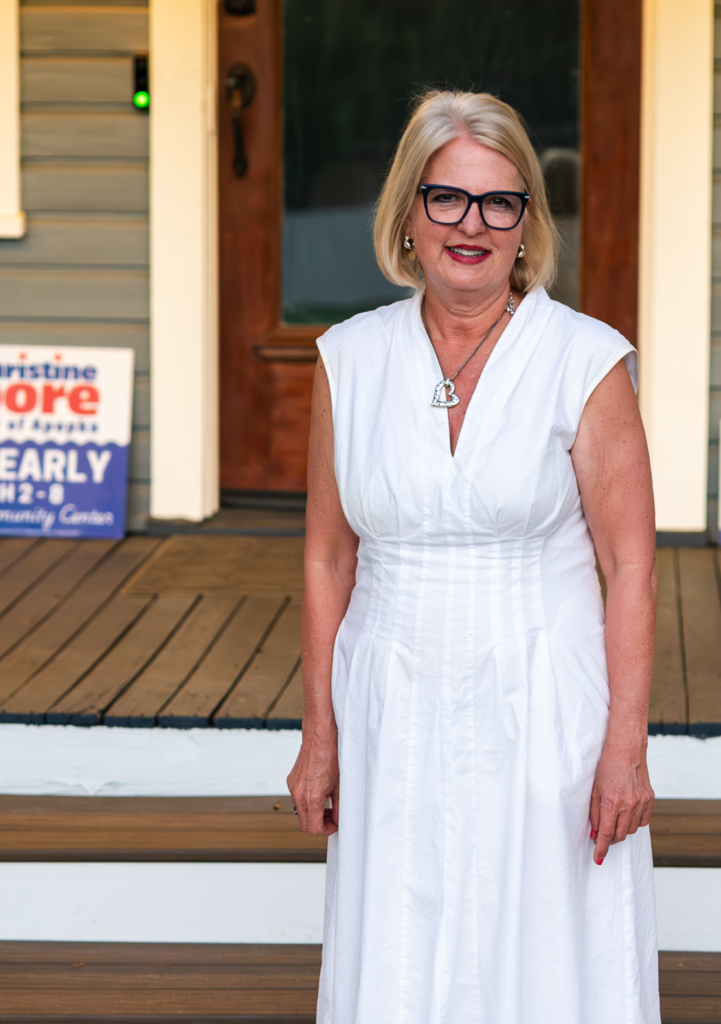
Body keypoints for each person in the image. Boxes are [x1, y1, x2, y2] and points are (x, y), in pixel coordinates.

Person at [287, 90, 659, 1024]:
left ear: (527, 225)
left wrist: (624, 747)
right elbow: (328, 562)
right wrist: (319, 734)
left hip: (540, 694)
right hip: (389, 695)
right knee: (402, 941)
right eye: (445, 197)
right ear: (406, 214)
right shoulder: (349, 359)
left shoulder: (585, 360)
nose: (471, 224)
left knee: (534, 940)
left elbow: (630, 567)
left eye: (500, 202)